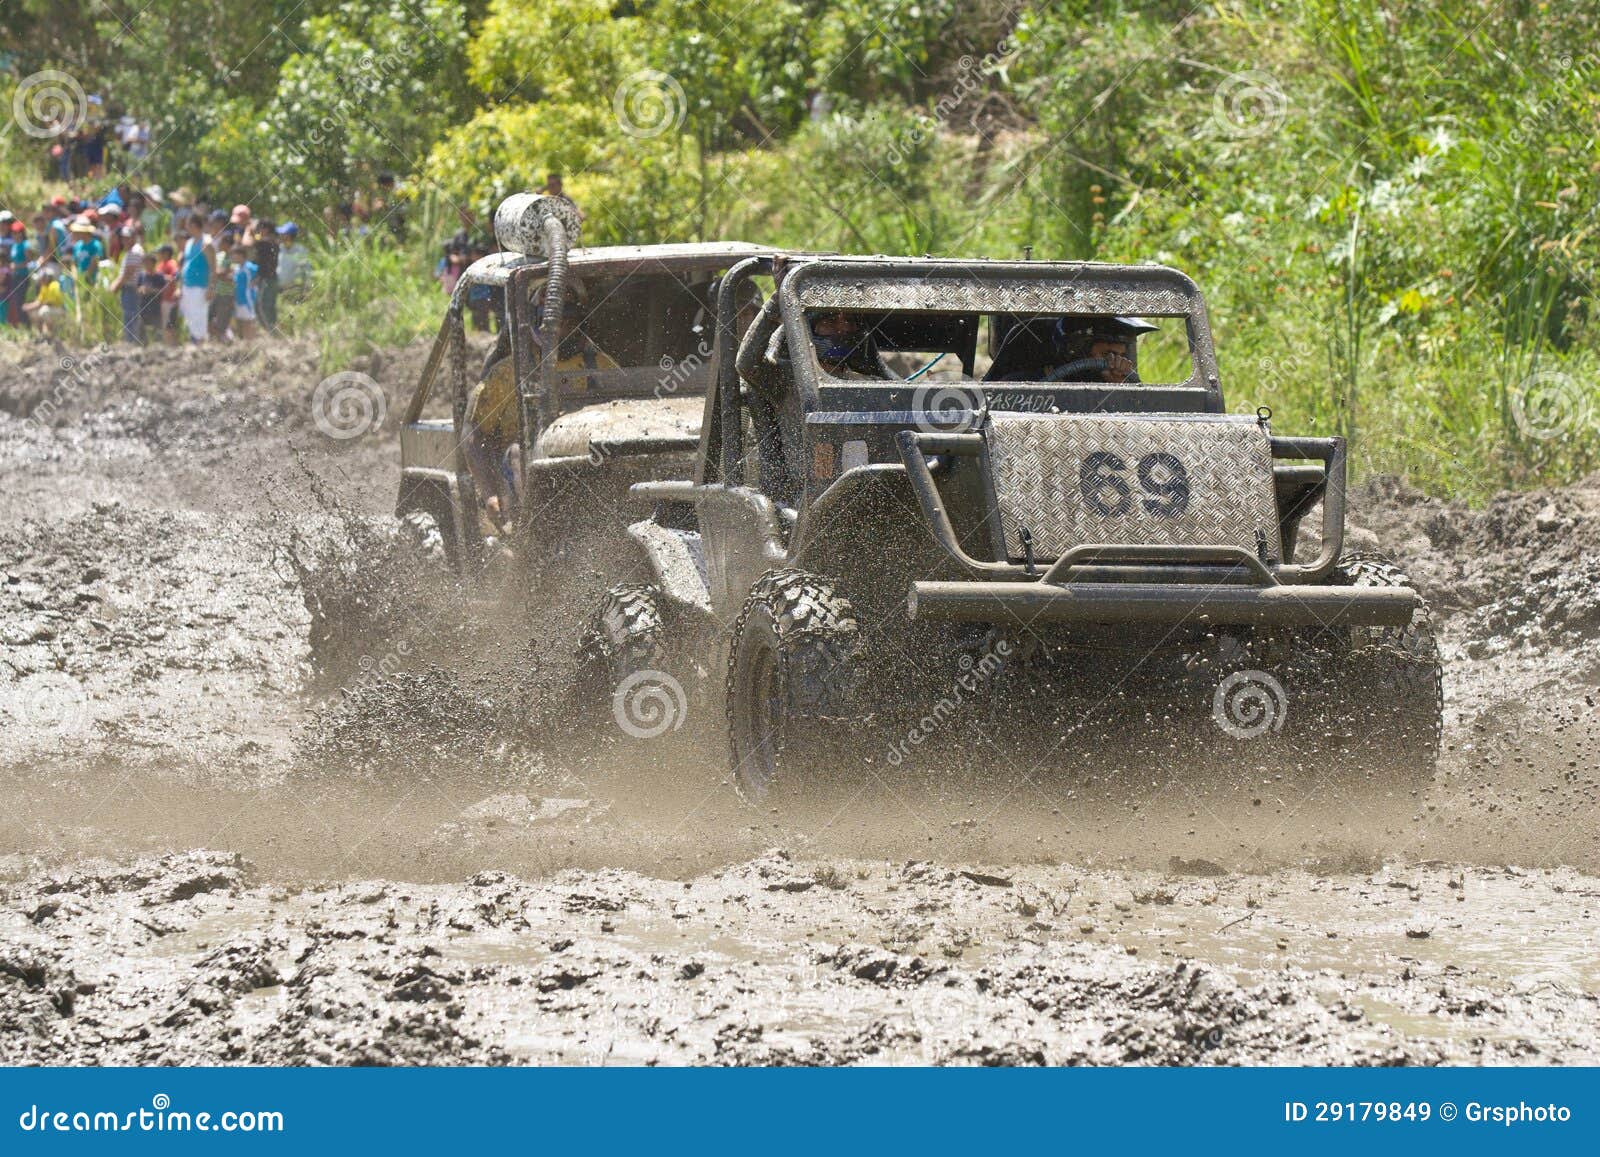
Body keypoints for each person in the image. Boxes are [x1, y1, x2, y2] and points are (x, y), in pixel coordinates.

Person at [1040, 316, 1157, 383]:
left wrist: (1119, 389)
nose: (1115, 363)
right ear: (1077, 350)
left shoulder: (1122, 385)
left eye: (1121, 355)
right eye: (1106, 354)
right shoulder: (1033, 383)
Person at [808, 310, 885, 379]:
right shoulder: (800, 382)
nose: (845, 328)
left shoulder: (873, 383)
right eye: (831, 320)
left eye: (849, 320)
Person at [178, 212, 214, 343]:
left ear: (193, 225)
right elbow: (185, 265)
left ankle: (201, 346)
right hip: (188, 285)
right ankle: (194, 343)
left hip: (201, 286)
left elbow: (212, 268)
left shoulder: (206, 242)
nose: (185, 227)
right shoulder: (189, 242)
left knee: (199, 317)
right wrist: (180, 287)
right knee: (189, 317)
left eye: (187, 225)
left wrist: (211, 288)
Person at [107, 222, 146, 344]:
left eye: (127, 238)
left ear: (134, 237)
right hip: (129, 288)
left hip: (130, 288)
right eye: (123, 238)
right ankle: (132, 341)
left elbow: (128, 273)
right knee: (130, 316)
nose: (124, 241)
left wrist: (114, 287)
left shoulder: (134, 251)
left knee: (130, 316)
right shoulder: (133, 250)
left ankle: (130, 342)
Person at [251, 217, 280, 332]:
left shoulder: (265, 243)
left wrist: (252, 232)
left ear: (266, 229)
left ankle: (272, 331)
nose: (259, 231)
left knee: (262, 306)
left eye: (260, 228)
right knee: (269, 307)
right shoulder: (274, 242)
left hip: (266, 279)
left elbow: (253, 242)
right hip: (272, 278)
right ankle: (273, 331)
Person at [22, 265, 66, 338]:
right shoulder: (44, 287)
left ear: (47, 277)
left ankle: (52, 334)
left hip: (59, 309)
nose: (40, 280)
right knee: (33, 312)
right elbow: (39, 301)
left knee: (44, 311)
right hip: (51, 309)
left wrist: (30, 306)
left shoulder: (54, 285)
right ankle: (41, 335)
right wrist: (28, 306)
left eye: (42, 278)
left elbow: (48, 303)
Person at [231, 242, 259, 339]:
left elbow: (259, 276)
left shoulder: (250, 267)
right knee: (243, 320)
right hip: (239, 298)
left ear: (241, 255)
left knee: (250, 320)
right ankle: (246, 341)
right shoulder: (237, 268)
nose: (233, 257)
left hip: (248, 298)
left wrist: (254, 284)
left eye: (234, 254)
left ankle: (252, 340)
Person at [275, 223, 310, 299]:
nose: (281, 236)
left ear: (289, 236)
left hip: (295, 291)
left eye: (283, 234)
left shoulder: (300, 250)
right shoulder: (279, 249)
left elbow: (306, 271)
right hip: (279, 290)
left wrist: (306, 289)